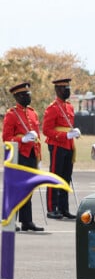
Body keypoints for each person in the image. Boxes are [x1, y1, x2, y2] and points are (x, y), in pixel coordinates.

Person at [2, 82, 44, 231]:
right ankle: (11, 220)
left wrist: (39, 157)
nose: (28, 97)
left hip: (31, 154)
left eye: (29, 94)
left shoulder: (32, 112)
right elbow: (6, 138)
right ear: (17, 96)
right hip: (19, 155)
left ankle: (26, 221)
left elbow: (37, 137)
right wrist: (22, 140)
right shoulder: (11, 114)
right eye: (25, 95)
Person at [42, 77, 80, 219]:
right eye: (65, 88)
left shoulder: (69, 106)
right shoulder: (52, 108)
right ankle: (52, 208)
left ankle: (64, 208)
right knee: (55, 176)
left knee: (66, 177)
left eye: (68, 88)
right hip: (58, 145)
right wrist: (65, 135)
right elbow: (47, 130)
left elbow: (67, 126)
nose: (67, 91)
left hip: (69, 145)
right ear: (58, 90)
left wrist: (73, 133)